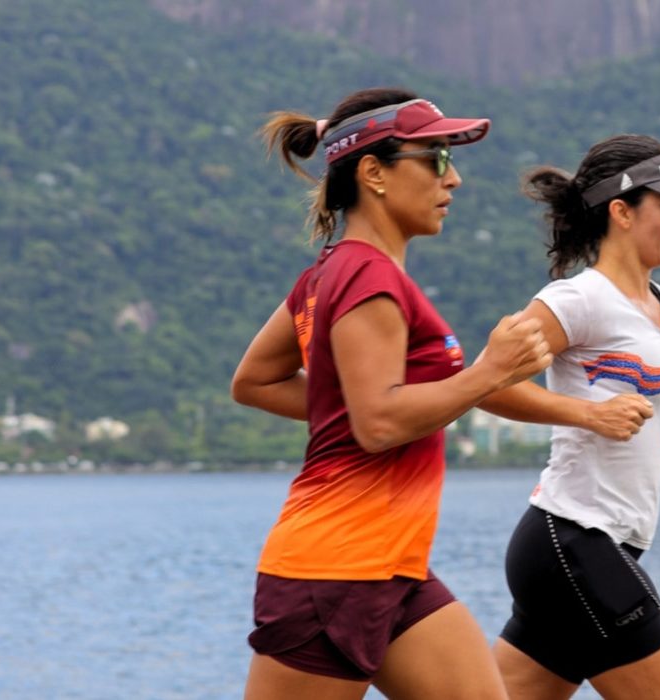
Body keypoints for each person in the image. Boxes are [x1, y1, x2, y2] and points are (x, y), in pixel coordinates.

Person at [229, 87, 558, 700]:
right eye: (434, 157)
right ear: (374, 172)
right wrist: (490, 372)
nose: (453, 178)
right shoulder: (366, 275)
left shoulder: (330, 271)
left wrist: (351, 405)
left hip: (393, 570)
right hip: (333, 571)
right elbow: (378, 423)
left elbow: (258, 381)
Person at [483, 134, 660, 700]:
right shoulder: (575, 300)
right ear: (622, 212)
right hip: (573, 539)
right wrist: (587, 413)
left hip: (603, 547)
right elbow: (483, 387)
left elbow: (655, 440)